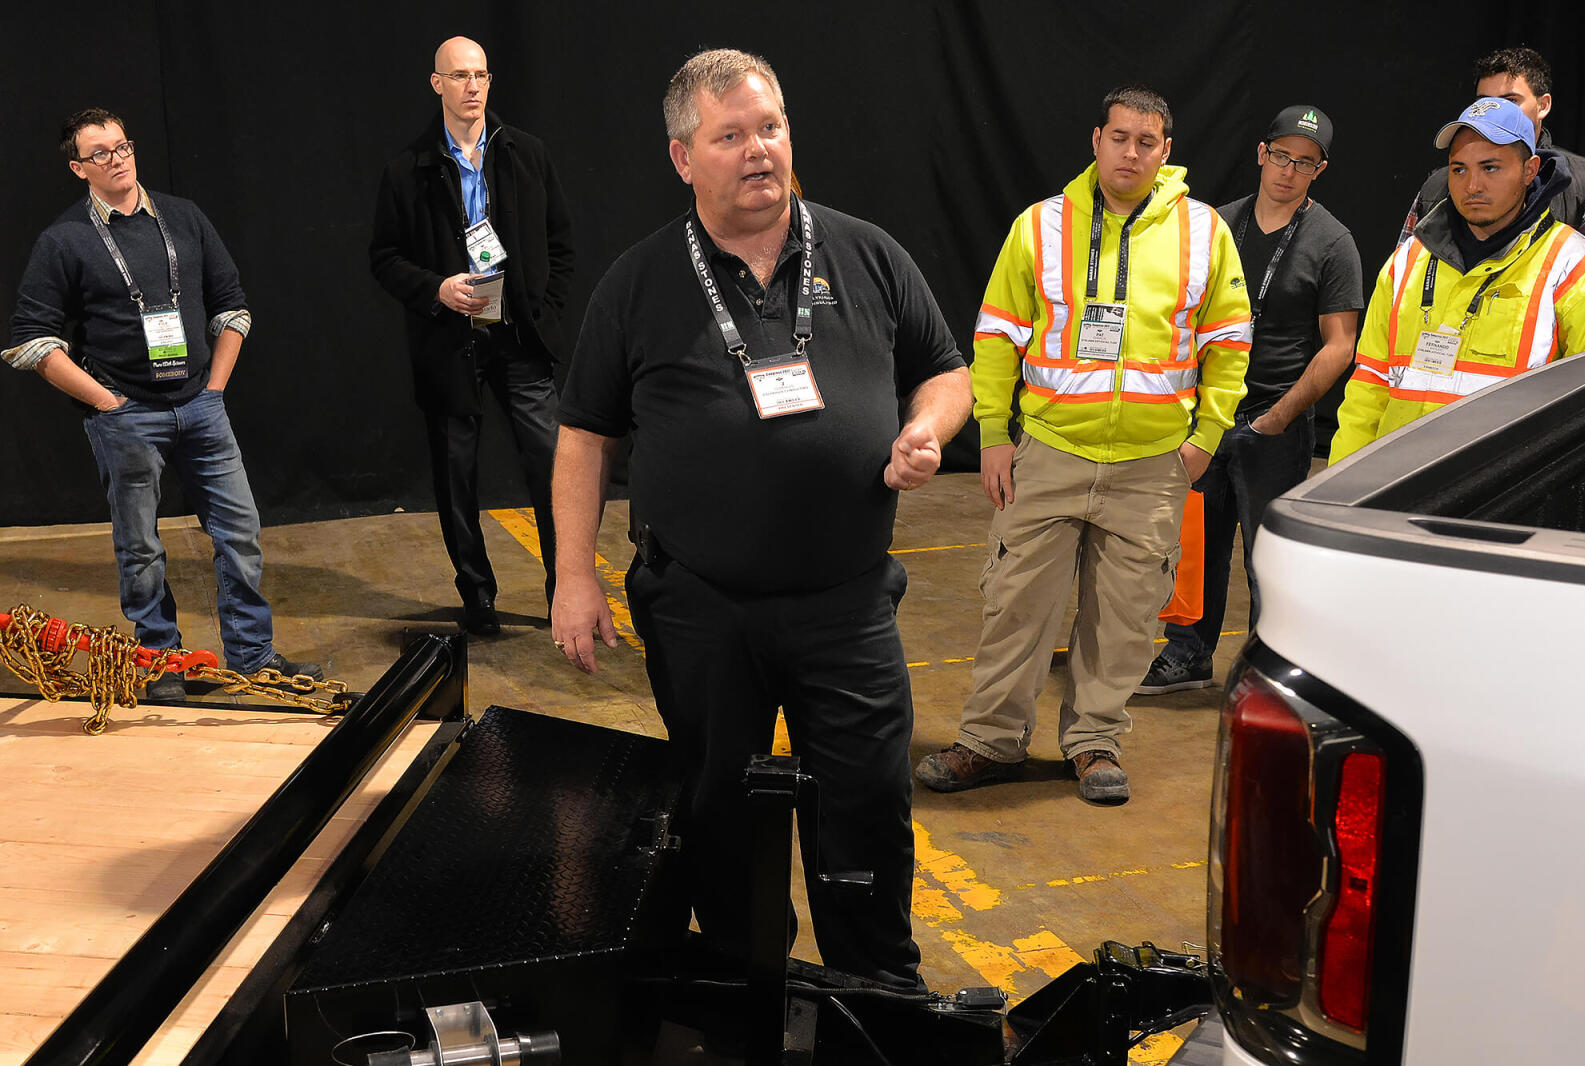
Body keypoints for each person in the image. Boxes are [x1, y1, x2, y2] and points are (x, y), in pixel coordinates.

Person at [550, 49, 971, 988]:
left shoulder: (866, 252)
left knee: (866, 803)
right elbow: (583, 435)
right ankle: (746, 987)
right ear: (682, 158)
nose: (757, 152)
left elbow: (946, 369)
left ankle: (877, 991)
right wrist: (573, 575)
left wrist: (926, 428)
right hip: (701, 606)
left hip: (847, 604)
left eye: (770, 128)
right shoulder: (640, 281)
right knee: (718, 806)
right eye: (729, 136)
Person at [915, 86, 1250, 804]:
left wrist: (1205, 440)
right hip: (1048, 452)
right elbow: (998, 336)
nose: (1131, 152)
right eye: (1120, 137)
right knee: (1016, 605)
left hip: (1154, 464)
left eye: (1147, 142)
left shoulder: (1202, 233)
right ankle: (990, 742)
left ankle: (1096, 741)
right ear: (1095, 139)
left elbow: (1229, 341)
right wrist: (995, 437)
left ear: (1167, 152)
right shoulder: (1039, 226)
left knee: (1125, 618)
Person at [4, 109, 322, 700]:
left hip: (201, 405)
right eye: (99, 153)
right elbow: (31, 341)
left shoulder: (183, 216)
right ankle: (160, 665)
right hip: (128, 419)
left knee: (239, 532)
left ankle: (253, 657)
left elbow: (231, 304)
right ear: (79, 169)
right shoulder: (65, 240)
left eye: (122, 145)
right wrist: (106, 401)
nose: (117, 158)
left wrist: (215, 388)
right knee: (141, 548)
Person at [1138, 106, 1362, 695]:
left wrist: (1282, 415)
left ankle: (1269, 670)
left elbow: (1340, 346)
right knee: (1195, 549)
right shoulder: (1216, 224)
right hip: (1207, 415)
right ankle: (1187, 655)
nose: (1289, 171)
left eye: (1305, 162)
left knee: (1270, 560)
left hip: (1275, 424)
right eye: (1281, 155)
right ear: (1261, 153)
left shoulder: (1332, 241)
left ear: (1321, 169)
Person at [370, 35, 576, 636]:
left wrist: (545, 312)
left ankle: (565, 589)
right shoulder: (408, 170)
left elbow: (561, 245)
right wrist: (436, 288)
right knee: (457, 475)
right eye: (459, 76)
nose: (473, 87)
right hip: (451, 340)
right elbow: (383, 257)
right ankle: (477, 596)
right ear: (437, 84)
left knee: (553, 465)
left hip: (517, 334)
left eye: (481, 75)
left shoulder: (527, 154)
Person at [1332, 98, 1585, 462]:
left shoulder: (1575, 267)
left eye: (1490, 168)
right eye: (1459, 169)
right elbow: (1369, 387)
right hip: (1392, 492)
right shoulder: (1407, 261)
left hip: (1497, 503)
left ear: (1530, 169)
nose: (1472, 185)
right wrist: (1341, 492)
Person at [1399, 46, 1585, 244]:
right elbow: (1406, 267)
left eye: (1510, 101)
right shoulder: (1436, 188)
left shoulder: (1584, 186)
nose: (1496, 112)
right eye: (1485, 103)